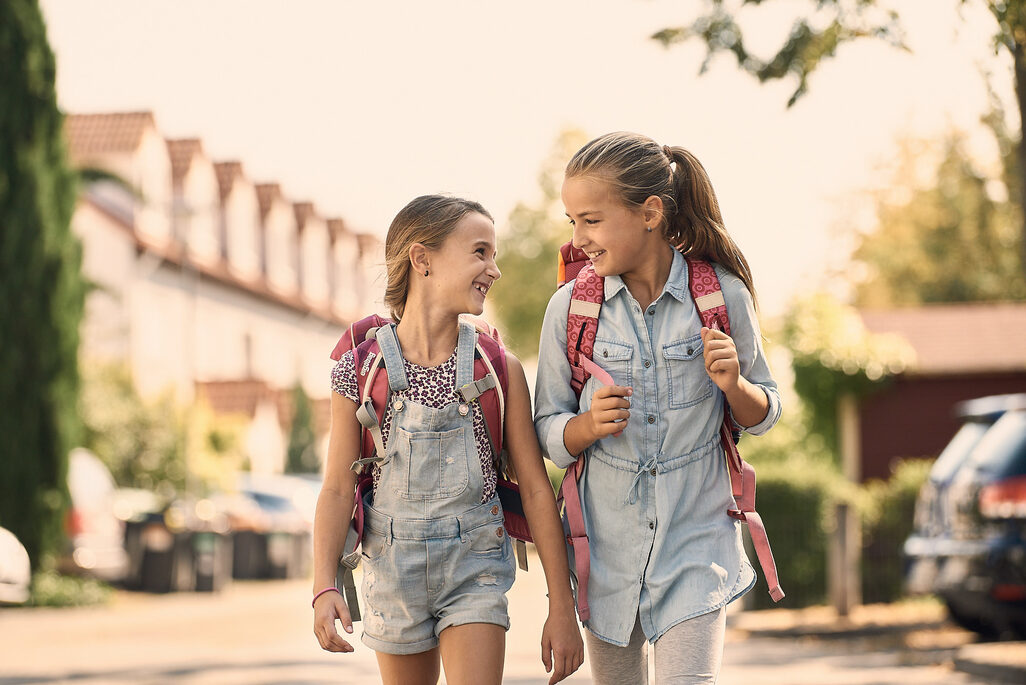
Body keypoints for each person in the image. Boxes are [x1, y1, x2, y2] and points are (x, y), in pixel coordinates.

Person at [534, 132, 782, 684]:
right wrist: (585, 426)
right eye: (572, 220)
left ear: (649, 213)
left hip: (697, 543)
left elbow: (764, 412)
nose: (578, 239)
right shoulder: (571, 308)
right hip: (605, 554)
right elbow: (546, 427)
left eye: (591, 220)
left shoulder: (720, 297)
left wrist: (735, 383)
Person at [312, 195, 584, 685]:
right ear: (423, 260)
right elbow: (336, 488)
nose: (494, 269)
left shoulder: (499, 368)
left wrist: (561, 606)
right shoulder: (360, 369)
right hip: (392, 573)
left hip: (474, 568)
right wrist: (322, 586)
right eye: (481, 252)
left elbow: (537, 489)